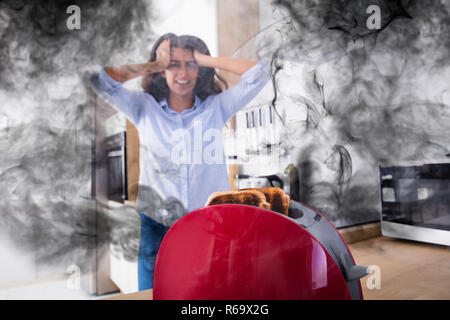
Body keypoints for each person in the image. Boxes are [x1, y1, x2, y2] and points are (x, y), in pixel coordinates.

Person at [90, 32, 271, 290]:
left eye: (190, 65)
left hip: (209, 225)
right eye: (173, 65)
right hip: (156, 226)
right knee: (154, 294)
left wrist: (203, 57)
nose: (182, 73)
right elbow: (100, 80)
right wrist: (153, 64)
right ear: (162, 71)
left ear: (200, 71)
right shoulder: (143, 108)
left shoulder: (215, 108)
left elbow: (260, 73)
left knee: (209, 295)